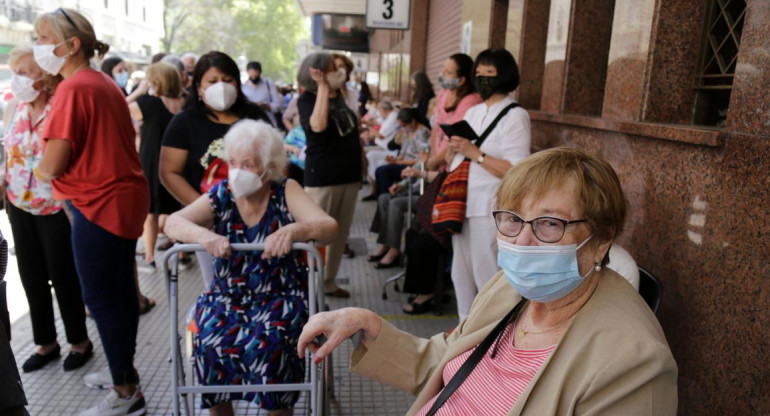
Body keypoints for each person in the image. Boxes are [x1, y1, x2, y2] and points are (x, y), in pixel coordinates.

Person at [298, 147, 678, 416]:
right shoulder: (509, 289)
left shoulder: (633, 362)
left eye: (549, 224)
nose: (522, 242)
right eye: (512, 219)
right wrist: (370, 325)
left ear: (601, 240)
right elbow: (445, 361)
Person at [165, 119, 337, 416]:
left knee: (271, 344)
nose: (237, 171)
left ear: (270, 167)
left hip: (281, 295)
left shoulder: (286, 190)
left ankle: (279, 411)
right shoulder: (222, 195)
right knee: (206, 340)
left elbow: (328, 227)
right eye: (232, 162)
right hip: (226, 295)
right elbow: (172, 222)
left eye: (248, 164)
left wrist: (294, 231)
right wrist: (205, 236)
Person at [34, 8, 149, 415]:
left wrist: (38, 165)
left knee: (101, 298)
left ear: (72, 44)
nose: (38, 46)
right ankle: (124, 372)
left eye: (43, 38)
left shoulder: (73, 88)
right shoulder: (100, 81)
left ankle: (125, 391)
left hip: (98, 203)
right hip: (121, 198)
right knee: (118, 295)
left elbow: (52, 163)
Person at [2, 44, 93, 373]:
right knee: (31, 275)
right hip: (18, 203)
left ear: (45, 77)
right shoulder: (13, 108)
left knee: (64, 275)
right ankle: (46, 342)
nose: (19, 79)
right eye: (16, 73)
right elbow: (8, 150)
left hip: (56, 206)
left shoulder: (59, 108)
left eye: (26, 72)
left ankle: (79, 341)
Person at [160, 51, 269, 286]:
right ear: (199, 87)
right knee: (220, 286)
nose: (221, 86)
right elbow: (169, 172)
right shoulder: (185, 122)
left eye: (227, 80)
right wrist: (205, 210)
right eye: (212, 81)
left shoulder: (255, 117)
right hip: (209, 225)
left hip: (258, 219)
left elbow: (275, 166)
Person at [447, 48, 531, 321]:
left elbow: (518, 171)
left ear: (504, 76)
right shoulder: (473, 112)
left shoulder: (515, 116)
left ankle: (489, 336)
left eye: (489, 74)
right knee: (460, 274)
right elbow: (459, 158)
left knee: (487, 277)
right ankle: (463, 330)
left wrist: (476, 154)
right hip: (461, 204)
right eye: (479, 74)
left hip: (490, 207)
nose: (482, 79)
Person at [401, 53, 483, 313]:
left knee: (428, 237)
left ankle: (428, 292)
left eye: (449, 72)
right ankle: (421, 287)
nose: (443, 75)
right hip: (438, 169)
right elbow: (437, 128)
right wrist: (431, 161)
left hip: (454, 176)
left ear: (462, 78)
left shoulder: (471, 103)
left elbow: (455, 143)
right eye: (443, 69)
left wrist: (432, 164)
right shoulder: (446, 97)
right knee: (415, 231)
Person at [296, 52, 362, 298]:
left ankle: (328, 281)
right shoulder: (307, 99)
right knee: (316, 233)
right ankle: (308, 283)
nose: (339, 72)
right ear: (318, 73)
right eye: (333, 68)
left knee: (339, 232)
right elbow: (318, 126)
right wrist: (322, 88)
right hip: (323, 176)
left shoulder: (341, 97)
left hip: (348, 175)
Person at [128, 62, 185, 268]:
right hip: (177, 160)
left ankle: (150, 257)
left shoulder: (148, 103)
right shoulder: (183, 102)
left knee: (150, 213)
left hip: (152, 160)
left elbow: (121, 108)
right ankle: (181, 253)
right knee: (175, 209)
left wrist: (138, 91)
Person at [372, 107, 430, 197]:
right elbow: (403, 152)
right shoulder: (407, 132)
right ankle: (381, 199)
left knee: (384, 171)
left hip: (414, 165)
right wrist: (395, 159)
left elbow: (420, 159)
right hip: (404, 162)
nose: (403, 128)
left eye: (404, 125)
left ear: (413, 121)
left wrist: (398, 162)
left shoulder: (422, 132)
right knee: (379, 170)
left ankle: (387, 198)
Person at [242, 61, 283, 128]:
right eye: (251, 75)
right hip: (250, 124)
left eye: (256, 74)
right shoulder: (243, 88)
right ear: (248, 72)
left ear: (260, 72)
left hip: (268, 123)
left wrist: (265, 106)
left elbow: (277, 105)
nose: (254, 77)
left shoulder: (269, 85)